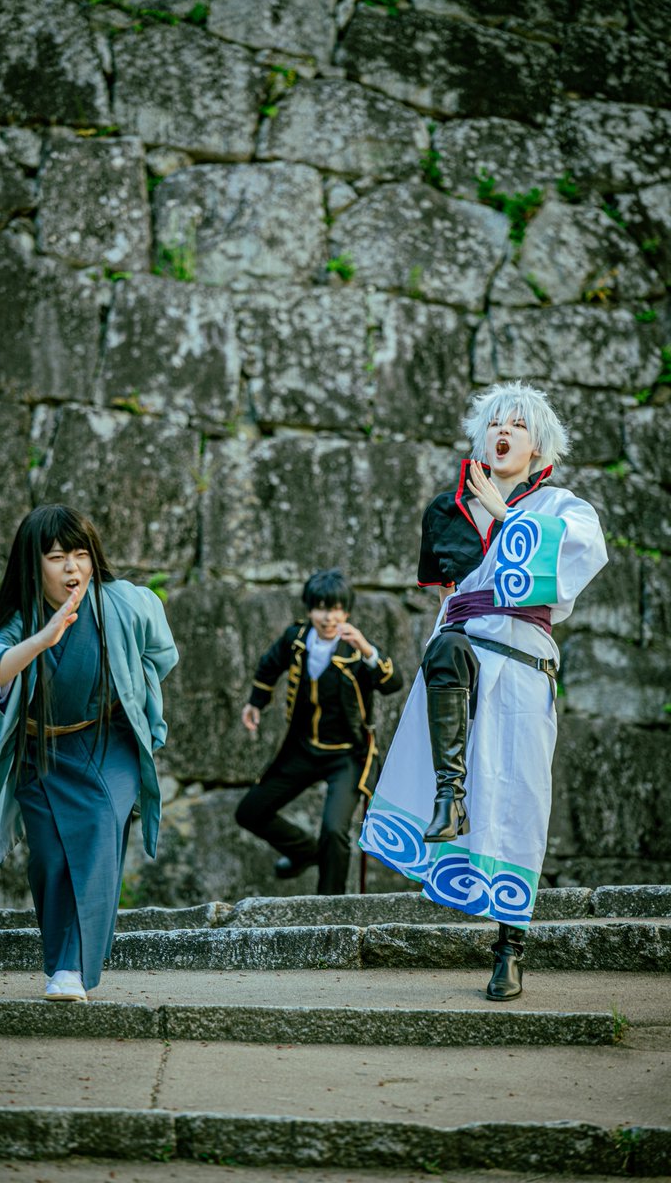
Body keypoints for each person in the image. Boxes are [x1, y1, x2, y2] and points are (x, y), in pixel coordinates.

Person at [360, 381, 607, 1000]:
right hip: (462, 655)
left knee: (520, 798)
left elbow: (581, 554)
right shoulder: (447, 510)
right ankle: (449, 795)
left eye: (518, 425)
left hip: (522, 660)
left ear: (537, 445)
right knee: (447, 649)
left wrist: (505, 515)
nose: (504, 432)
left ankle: (509, 949)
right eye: (496, 423)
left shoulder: (562, 506)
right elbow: (449, 596)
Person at [0, 504, 178, 1001]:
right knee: (50, 858)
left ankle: (72, 968)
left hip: (107, 744)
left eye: (81, 554)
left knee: (98, 829)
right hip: (40, 753)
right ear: (33, 565)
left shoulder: (126, 603)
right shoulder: (21, 620)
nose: (72, 568)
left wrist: (133, 685)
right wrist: (42, 639)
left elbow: (161, 653)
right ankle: (60, 960)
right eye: (57, 557)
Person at [236, 568, 403, 894]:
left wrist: (368, 650)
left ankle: (330, 907)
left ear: (346, 612)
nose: (329, 618)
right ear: (310, 609)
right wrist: (255, 703)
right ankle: (305, 853)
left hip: (347, 756)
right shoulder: (296, 639)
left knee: (334, 831)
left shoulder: (355, 651)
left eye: (336, 609)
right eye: (321, 609)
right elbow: (269, 665)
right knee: (250, 812)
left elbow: (392, 684)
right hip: (302, 749)